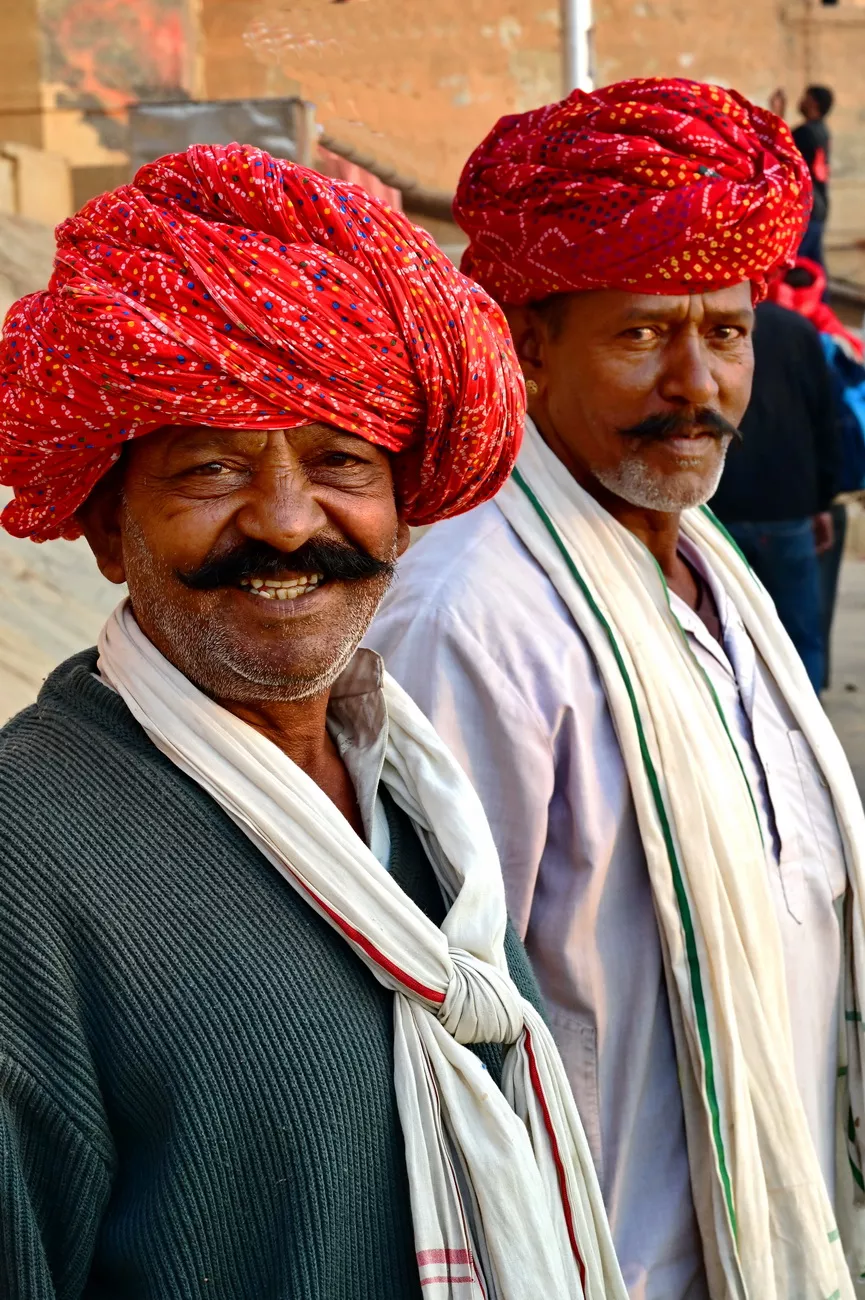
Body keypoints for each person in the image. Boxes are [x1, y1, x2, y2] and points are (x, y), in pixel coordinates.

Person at [0, 144, 626, 1300]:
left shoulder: (407, 792)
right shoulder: (25, 865)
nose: (288, 522)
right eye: (209, 470)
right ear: (103, 528)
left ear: (402, 506)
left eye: (339, 459)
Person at [367, 79, 865, 1299]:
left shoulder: (704, 565)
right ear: (529, 346)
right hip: (600, 1259)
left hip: (761, 1223)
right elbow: (433, 1019)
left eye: (726, 332)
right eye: (642, 333)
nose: (696, 383)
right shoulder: (474, 614)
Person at [710, 295, 841, 692]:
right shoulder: (799, 330)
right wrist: (823, 503)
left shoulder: (701, 325)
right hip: (787, 509)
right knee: (800, 633)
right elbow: (824, 420)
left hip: (718, 508)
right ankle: (806, 730)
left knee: (723, 635)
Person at [793, 85, 834, 270]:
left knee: (795, 264)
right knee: (814, 265)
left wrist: (775, 114)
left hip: (807, 206)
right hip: (820, 205)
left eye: (805, 97)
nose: (800, 101)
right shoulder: (823, 131)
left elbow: (778, 147)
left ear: (813, 103)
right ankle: (822, 299)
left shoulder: (804, 133)